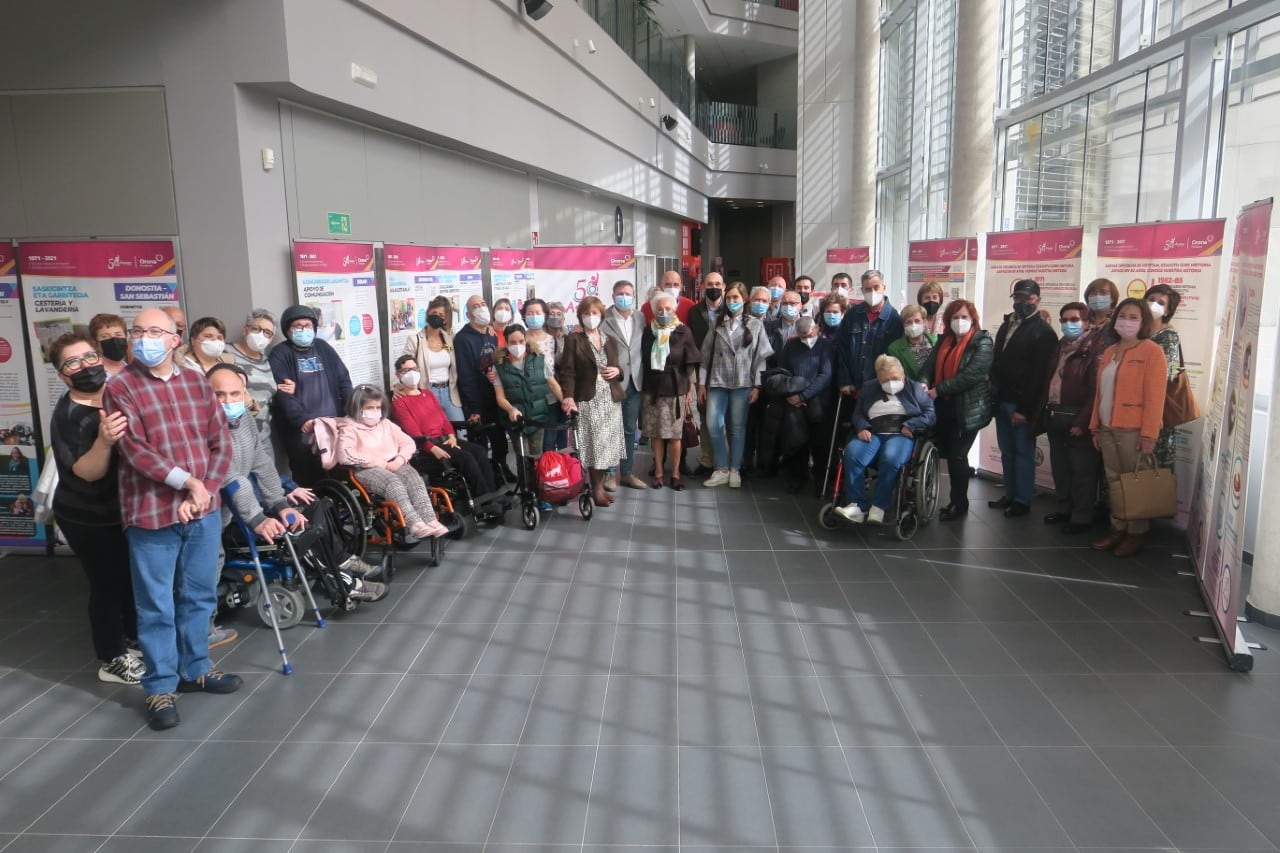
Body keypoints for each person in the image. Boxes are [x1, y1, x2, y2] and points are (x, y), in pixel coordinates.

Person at [104, 307, 237, 731]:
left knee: (199, 595)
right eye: (138, 331)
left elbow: (221, 443)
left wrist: (203, 490)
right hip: (150, 512)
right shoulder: (120, 387)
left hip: (203, 510)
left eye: (155, 331)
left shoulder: (198, 383)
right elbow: (135, 450)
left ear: (175, 339)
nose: (145, 338)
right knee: (155, 605)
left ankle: (196, 668)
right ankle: (160, 685)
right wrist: (188, 485)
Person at [209, 364, 388, 605]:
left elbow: (262, 464)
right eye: (219, 395)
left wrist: (281, 502)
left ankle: (343, 572)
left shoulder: (246, 422)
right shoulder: (206, 428)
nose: (228, 401)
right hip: (224, 515)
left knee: (313, 509)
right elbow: (232, 478)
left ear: (245, 394)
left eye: (234, 394)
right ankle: (343, 580)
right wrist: (259, 518)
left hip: (240, 508)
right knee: (300, 529)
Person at [47, 333, 142, 686]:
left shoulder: (116, 392)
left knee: (129, 579)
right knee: (107, 584)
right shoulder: (70, 415)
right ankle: (111, 657)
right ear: (62, 374)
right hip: (87, 515)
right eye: (72, 362)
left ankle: (133, 640)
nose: (84, 366)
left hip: (121, 509)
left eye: (89, 357)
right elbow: (87, 472)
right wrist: (104, 441)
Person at [311, 385, 451, 540]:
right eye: (370, 407)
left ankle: (430, 519)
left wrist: (400, 459)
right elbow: (345, 455)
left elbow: (408, 443)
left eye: (378, 407)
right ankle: (415, 523)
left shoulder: (385, 424)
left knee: (414, 478)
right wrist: (376, 462)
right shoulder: (348, 427)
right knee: (393, 483)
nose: (375, 411)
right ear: (357, 408)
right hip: (365, 469)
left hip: (393, 463)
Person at [1090, 298, 1168, 558]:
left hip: (1133, 430)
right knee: (1114, 482)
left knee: (1134, 482)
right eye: (1123, 315)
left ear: (1143, 322)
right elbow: (1100, 394)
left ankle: (1136, 534)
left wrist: (1149, 435)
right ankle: (1117, 528)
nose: (1126, 321)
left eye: (1133, 317)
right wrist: (1095, 427)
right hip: (1108, 427)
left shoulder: (1151, 351)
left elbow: (1156, 398)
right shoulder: (1111, 351)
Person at [835, 355, 936, 524]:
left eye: (895, 378)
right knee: (852, 454)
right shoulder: (869, 388)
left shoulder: (914, 388)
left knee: (891, 459)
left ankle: (879, 507)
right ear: (878, 378)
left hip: (901, 433)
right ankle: (857, 506)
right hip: (873, 432)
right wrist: (861, 427)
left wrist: (911, 424)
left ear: (902, 374)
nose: (890, 383)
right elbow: (858, 413)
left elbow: (930, 414)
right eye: (885, 380)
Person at [989, 279, 1058, 517]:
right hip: (1001, 399)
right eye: (1018, 297)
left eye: (1028, 298)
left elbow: (1039, 376)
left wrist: (1024, 409)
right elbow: (997, 361)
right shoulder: (1007, 323)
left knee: (1022, 452)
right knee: (1007, 451)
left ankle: (1022, 499)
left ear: (1037, 300)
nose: (1023, 302)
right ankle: (1009, 493)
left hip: (1021, 405)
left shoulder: (1043, 332)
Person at [920, 300, 993, 520]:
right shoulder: (945, 340)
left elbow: (972, 374)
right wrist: (924, 381)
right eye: (955, 317)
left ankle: (958, 503)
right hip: (943, 407)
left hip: (968, 409)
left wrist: (939, 389)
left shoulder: (983, 341)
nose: (959, 321)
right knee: (944, 453)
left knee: (957, 456)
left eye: (964, 317)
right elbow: (928, 367)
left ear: (973, 320)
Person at [1037, 301, 1104, 534]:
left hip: (1078, 418)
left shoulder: (1095, 348)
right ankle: (1064, 508)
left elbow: (1095, 391)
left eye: (1074, 320)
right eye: (1064, 320)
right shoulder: (1060, 345)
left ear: (1087, 322)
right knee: (1061, 467)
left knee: (1082, 471)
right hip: (1056, 415)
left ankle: (1081, 516)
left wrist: (1081, 422)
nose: (1068, 324)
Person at [699, 281, 773, 488]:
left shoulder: (755, 325)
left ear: (744, 300)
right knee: (714, 424)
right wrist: (701, 385)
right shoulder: (716, 324)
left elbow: (761, 359)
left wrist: (757, 386)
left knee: (738, 428)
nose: (732, 302)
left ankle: (734, 469)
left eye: (736, 298)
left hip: (742, 383)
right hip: (717, 381)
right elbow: (705, 357)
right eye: (729, 297)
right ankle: (721, 467)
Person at [391, 354, 496, 499]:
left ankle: (492, 495)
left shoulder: (428, 394)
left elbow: (444, 419)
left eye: (414, 369)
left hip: (446, 439)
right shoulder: (400, 402)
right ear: (398, 375)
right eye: (406, 370)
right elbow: (413, 432)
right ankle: (484, 499)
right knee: (466, 458)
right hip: (427, 445)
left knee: (479, 451)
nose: (411, 373)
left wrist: (452, 436)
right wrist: (432, 448)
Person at [270, 305, 353, 486]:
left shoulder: (324, 348)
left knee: (337, 473)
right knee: (307, 475)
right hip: (302, 430)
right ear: (287, 330)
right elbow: (283, 393)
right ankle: (313, 511)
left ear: (314, 328)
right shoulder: (280, 354)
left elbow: (344, 380)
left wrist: (351, 410)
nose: (303, 329)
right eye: (297, 326)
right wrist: (303, 420)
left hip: (333, 424)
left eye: (307, 325)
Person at [556, 296, 626, 506]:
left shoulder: (609, 340)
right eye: (586, 314)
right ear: (580, 316)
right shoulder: (574, 339)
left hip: (610, 400)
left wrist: (618, 371)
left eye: (594, 313)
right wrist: (568, 396)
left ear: (601, 315)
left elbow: (617, 368)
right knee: (595, 447)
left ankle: (601, 486)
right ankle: (596, 489)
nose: (590, 317)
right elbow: (567, 371)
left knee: (607, 447)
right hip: (589, 399)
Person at [640, 290, 701, 490]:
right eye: (660, 309)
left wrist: (690, 390)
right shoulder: (648, 331)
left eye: (668, 309)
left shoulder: (684, 331)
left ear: (674, 310)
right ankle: (658, 471)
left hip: (677, 389)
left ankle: (675, 473)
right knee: (657, 434)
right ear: (653, 310)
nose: (664, 312)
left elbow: (690, 363)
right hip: (653, 390)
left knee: (676, 435)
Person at [768, 316, 832, 493]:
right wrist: (790, 394)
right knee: (797, 441)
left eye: (809, 335)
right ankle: (797, 478)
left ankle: (821, 483)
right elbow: (782, 370)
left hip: (818, 402)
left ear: (817, 329)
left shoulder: (825, 346)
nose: (806, 339)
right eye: (802, 336)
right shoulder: (791, 345)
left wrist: (804, 395)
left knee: (820, 445)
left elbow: (825, 376)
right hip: (794, 401)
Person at [455, 294, 512, 482]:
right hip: (476, 400)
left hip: (494, 396)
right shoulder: (463, 339)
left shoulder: (491, 334)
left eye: (483, 304)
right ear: (468, 314)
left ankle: (501, 470)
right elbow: (466, 376)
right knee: (479, 443)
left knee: (500, 441)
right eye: (475, 306)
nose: (481, 308)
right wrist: (474, 408)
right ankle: (486, 479)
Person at [602, 280, 648, 490]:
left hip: (636, 381)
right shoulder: (603, 319)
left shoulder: (640, 317)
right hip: (613, 382)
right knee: (612, 428)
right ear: (613, 296)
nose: (624, 297)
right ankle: (610, 474)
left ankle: (627, 473)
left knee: (630, 430)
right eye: (619, 293)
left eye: (627, 293)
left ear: (634, 295)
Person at [836, 269, 904, 397]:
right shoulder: (852, 315)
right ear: (862, 291)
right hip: (852, 388)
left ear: (884, 287)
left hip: (881, 388)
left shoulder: (894, 319)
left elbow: (894, 357)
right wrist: (845, 380)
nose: (872, 292)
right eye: (867, 289)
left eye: (876, 287)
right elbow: (842, 349)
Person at [403, 295, 464, 422]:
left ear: (445, 319)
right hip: (428, 391)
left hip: (449, 392)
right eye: (434, 313)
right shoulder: (415, 340)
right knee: (434, 432)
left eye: (441, 315)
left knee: (462, 433)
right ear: (427, 314)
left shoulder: (449, 338)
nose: (437, 317)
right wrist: (399, 386)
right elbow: (403, 367)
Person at [1145, 284, 1183, 470]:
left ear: (1168, 310)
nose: (1154, 305)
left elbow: (1161, 376)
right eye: (1151, 299)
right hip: (1130, 411)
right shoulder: (1136, 331)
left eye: (1161, 303)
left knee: (1153, 471)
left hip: (1156, 410)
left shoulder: (1168, 336)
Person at [227, 309, 280, 432]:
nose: (261, 335)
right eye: (256, 328)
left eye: (267, 332)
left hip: (263, 434)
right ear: (245, 330)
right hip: (236, 433)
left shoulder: (268, 361)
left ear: (271, 339)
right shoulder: (225, 353)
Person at [885, 304, 937, 382]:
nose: (913, 325)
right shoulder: (894, 348)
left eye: (917, 321)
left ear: (924, 321)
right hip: (912, 390)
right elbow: (899, 376)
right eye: (909, 322)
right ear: (903, 325)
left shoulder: (936, 340)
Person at [89, 313, 130, 377]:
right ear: (95, 342)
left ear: (126, 337)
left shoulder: (134, 371)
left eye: (118, 335)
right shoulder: (92, 375)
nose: (114, 340)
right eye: (105, 336)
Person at [1084, 277, 1120, 345]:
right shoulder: (1079, 322)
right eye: (1093, 293)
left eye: (1103, 293)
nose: (1097, 296)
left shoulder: (1118, 324)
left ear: (1112, 298)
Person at [766, 288, 804, 352]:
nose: (788, 306)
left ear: (800, 306)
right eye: (785, 303)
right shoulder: (770, 327)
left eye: (792, 303)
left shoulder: (809, 326)